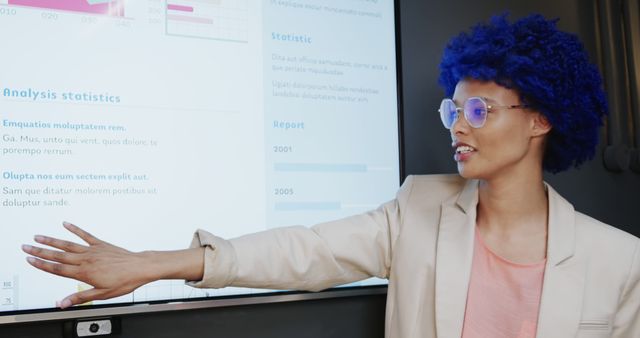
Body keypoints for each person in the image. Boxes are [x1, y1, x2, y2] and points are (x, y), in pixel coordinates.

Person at [22, 14, 639, 338]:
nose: (458, 126)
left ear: (542, 121)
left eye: (480, 110)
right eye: (454, 108)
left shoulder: (621, 262)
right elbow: (306, 251)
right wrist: (151, 263)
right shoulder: (420, 210)